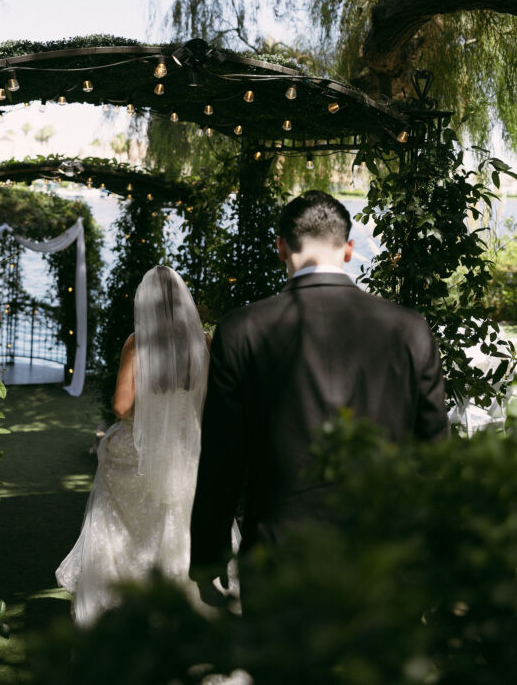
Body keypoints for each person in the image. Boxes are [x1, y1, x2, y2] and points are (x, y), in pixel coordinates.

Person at [189, 189, 449, 601]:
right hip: (386, 556)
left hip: (279, 553)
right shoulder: (409, 329)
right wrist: (439, 558)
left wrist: (207, 554)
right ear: (348, 250)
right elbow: (434, 451)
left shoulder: (242, 329)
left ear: (280, 248)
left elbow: (223, 455)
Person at [56, 265, 212, 625]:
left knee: (119, 519)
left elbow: (122, 407)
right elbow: (211, 398)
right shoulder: (202, 342)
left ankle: (122, 598)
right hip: (185, 447)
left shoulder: (138, 342)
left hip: (138, 448)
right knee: (177, 517)